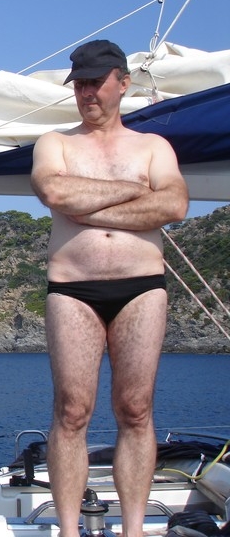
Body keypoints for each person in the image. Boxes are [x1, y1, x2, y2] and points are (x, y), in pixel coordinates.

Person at [30, 39, 189, 537]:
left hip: (142, 288)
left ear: (123, 83)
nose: (87, 93)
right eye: (79, 84)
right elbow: (53, 190)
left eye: (96, 83)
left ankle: (133, 530)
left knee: (136, 410)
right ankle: (69, 530)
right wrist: (136, 192)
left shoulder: (153, 147)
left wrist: (87, 207)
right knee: (72, 411)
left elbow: (174, 206)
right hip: (72, 289)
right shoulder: (54, 144)